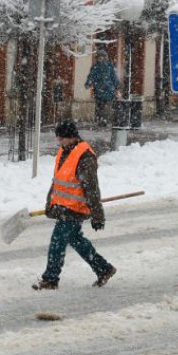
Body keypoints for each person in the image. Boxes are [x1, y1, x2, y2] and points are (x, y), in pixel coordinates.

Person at [33, 120, 115, 291]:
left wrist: (98, 215)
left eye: (61, 138)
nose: (59, 141)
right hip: (63, 207)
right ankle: (104, 269)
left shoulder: (85, 157)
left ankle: (50, 279)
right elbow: (58, 181)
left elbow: (91, 189)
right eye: (58, 138)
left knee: (57, 242)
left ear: (71, 137)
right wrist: (50, 203)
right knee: (76, 240)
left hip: (75, 209)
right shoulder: (64, 151)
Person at [84, 51, 120, 127]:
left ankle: (104, 120)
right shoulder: (95, 67)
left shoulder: (109, 66)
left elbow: (114, 77)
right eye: (99, 57)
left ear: (105, 57)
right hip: (99, 90)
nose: (100, 58)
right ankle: (101, 120)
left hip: (108, 90)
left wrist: (117, 86)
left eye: (102, 57)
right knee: (100, 106)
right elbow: (91, 76)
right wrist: (88, 83)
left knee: (105, 106)